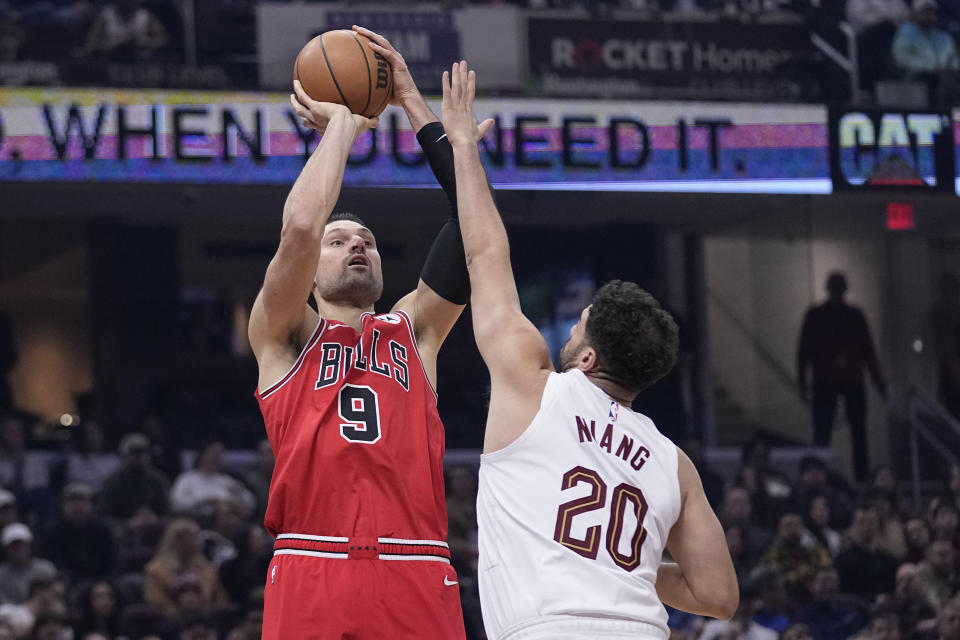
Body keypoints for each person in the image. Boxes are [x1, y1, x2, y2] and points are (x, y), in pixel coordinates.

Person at [440, 60, 738, 638]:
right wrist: (628, 568)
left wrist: (462, 149)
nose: (568, 334)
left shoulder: (532, 386)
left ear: (588, 359)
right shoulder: (673, 463)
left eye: (576, 328)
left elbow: (485, 257)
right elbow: (718, 595)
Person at [250, 26, 494, 640]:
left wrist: (415, 105)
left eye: (367, 241)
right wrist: (343, 124)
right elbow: (301, 228)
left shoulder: (416, 332)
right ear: (309, 279)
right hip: (313, 557)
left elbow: (474, 230)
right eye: (342, 242)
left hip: (416, 563)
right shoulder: (285, 333)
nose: (356, 243)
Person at [797, 272, 887, 481]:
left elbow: (868, 352)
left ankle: (860, 478)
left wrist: (880, 384)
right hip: (829, 378)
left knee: (853, 432)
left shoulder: (849, 316)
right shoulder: (819, 315)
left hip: (845, 377)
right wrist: (802, 382)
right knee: (825, 430)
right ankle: (824, 476)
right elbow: (804, 351)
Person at [892, 0, 960, 104]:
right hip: (918, 78)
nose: (930, 15)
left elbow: (955, 60)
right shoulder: (906, 33)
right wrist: (931, 68)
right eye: (925, 11)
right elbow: (902, 60)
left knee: (950, 78)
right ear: (916, 13)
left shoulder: (944, 37)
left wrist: (946, 69)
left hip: (945, 77)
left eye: (932, 12)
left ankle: (954, 114)